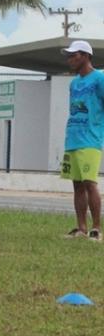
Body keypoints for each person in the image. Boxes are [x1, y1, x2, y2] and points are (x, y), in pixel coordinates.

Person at [60, 40, 104, 241]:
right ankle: (81, 228)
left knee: (89, 182)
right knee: (77, 184)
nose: (70, 59)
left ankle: (96, 229)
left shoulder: (99, 79)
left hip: (91, 139)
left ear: (85, 56)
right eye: (68, 56)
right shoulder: (74, 83)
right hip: (73, 139)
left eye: (73, 55)